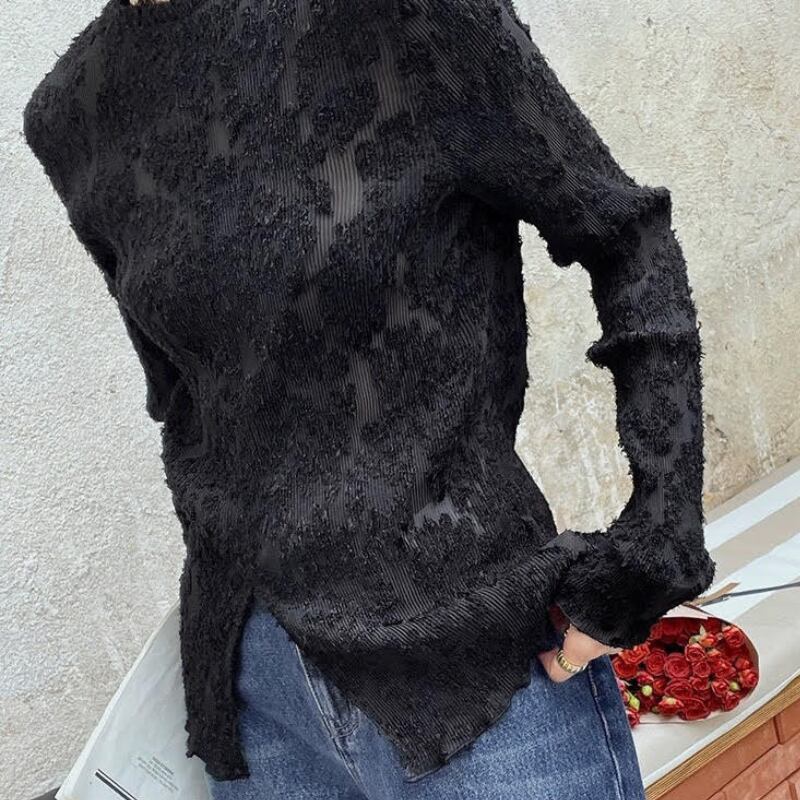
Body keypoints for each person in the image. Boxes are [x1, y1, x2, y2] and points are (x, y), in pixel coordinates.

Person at [23, 0, 716, 797]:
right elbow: (187, 398)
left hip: (473, 665)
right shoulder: (70, 112)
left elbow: (627, 237)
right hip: (260, 697)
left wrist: (658, 537)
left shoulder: (396, 17)